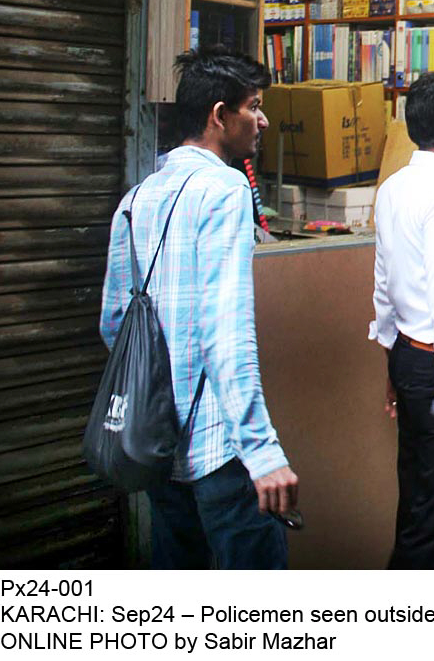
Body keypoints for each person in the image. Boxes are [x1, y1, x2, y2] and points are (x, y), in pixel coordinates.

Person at [99, 46, 297, 568]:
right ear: (219, 116)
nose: (262, 119)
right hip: (219, 447)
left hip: (157, 447)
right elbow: (225, 329)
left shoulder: (137, 198)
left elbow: (113, 324)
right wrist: (261, 451)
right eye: (253, 105)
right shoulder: (226, 189)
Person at [371, 72, 434, 568]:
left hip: (409, 362)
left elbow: (383, 284)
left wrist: (391, 364)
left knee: (420, 496)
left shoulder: (392, 188)